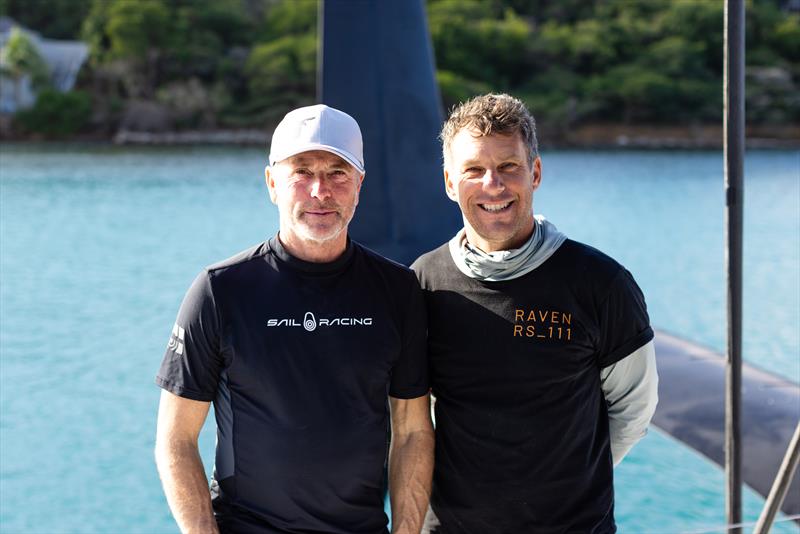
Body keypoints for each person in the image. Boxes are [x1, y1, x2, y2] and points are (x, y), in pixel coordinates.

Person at [155, 104, 434, 534]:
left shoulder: (397, 291)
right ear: (272, 183)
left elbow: (413, 430)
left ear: (360, 184)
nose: (320, 191)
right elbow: (175, 440)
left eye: (338, 173)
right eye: (302, 172)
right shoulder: (220, 290)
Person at [412, 93, 658, 533]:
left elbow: (634, 409)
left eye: (509, 167)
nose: (493, 185)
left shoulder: (600, 283)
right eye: (474, 170)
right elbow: (411, 415)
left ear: (536, 172)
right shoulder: (424, 281)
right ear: (450, 182)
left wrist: (570, 479)